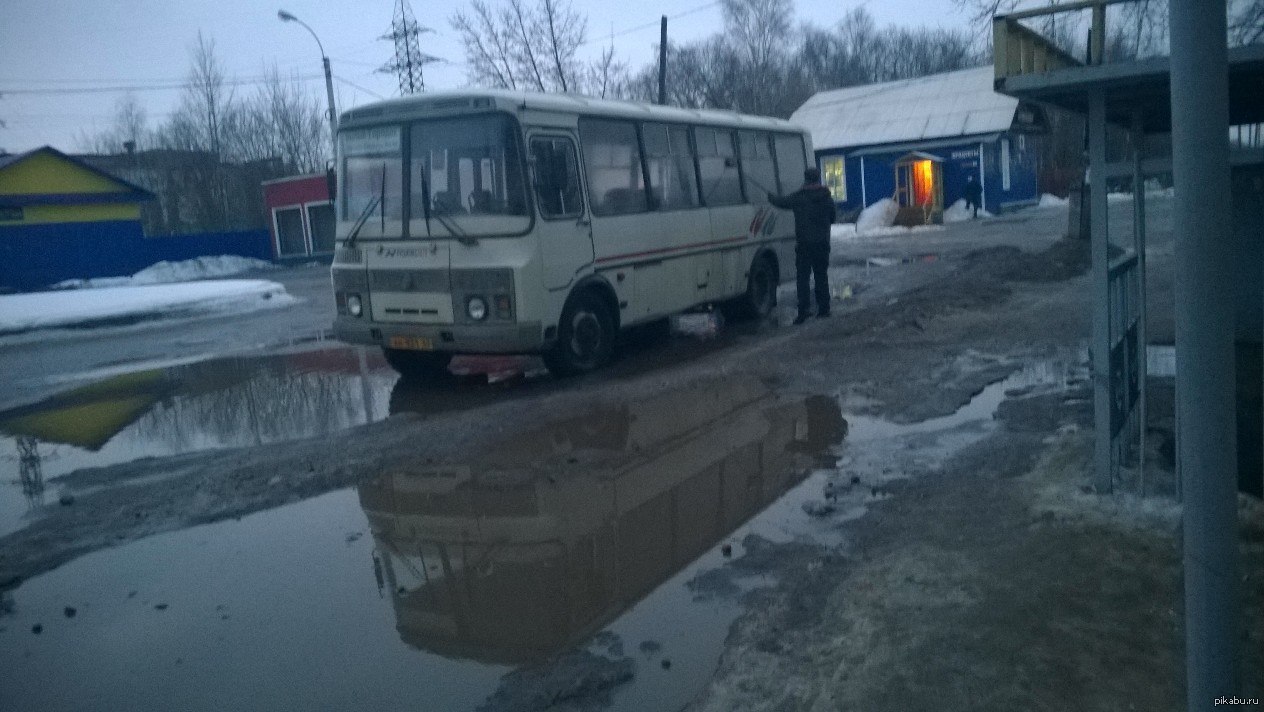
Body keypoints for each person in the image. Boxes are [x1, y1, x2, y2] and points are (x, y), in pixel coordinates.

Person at [769, 167, 836, 324]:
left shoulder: (799, 197)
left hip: (805, 244)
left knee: (803, 278)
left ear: (806, 179)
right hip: (822, 243)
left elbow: (781, 202)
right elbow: (833, 218)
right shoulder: (827, 197)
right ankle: (824, 309)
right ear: (818, 178)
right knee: (821, 276)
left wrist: (770, 196)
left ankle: (804, 310)